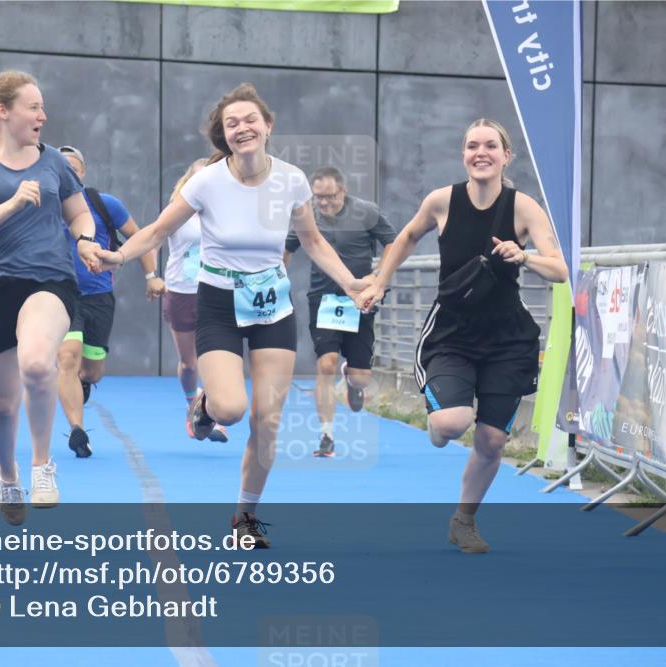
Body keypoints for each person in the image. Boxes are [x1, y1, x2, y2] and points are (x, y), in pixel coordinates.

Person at [94, 83, 367, 547]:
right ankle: (203, 405)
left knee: (268, 421)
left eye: (249, 120)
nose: (242, 128)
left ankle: (245, 516)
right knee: (230, 410)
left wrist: (352, 283)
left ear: (267, 125)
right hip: (218, 304)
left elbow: (315, 242)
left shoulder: (292, 180)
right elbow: (159, 229)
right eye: (231, 124)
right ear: (224, 136)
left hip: (272, 307)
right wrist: (118, 258)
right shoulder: (207, 182)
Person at [359, 118, 568, 553]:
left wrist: (524, 256)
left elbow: (560, 268)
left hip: (507, 337)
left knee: (492, 440)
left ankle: (464, 520)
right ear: (464, 155)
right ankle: (441, 424)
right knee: (451, 424)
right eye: (472, 146)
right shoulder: (442, 201)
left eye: (491, 146)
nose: (481, 153)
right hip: (452, 330)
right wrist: (379, 281)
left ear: (506, 156)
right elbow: (406, 238)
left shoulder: (523, 207)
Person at [0, 70, 99, 523]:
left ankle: (41, 467)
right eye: (33, 107)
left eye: (42, 106)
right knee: (2, 404)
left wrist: (87, 240)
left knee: (36, 363)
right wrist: (13, 201)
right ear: (3, 111)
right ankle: (8, 475)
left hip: (47, 281)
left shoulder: (53, 161)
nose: (42, 115)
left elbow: (79, 213)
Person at [55, 145, 166, 458]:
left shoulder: (105, 205)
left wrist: (151, 276)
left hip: (99, 298)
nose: (69, 174)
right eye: (62, 169)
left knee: (91, 372)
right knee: (67, 358)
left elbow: (142, 238)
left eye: (74, 169)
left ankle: (81, 385)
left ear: (83, 173)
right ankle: (77, 430)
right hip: (61, 296)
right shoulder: (45, 207)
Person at [283, 166, 396, 458]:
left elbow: (393, 243)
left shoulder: (367, 212)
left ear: (343, 191)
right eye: (318, 198)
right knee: (325, 364)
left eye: (329, 197)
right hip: (323, 300)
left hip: (360, 299)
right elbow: (286, 249)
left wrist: (378, 277)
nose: (323, 203)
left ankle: (352, 379)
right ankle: (327, 436)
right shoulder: (307, 217)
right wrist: (276, 280)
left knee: (361, 377)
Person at [162, 159, 229, 442]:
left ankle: (209, 412)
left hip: (216, 290)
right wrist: (150, 276)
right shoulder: (177, 211)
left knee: (214, 359)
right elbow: (152, 237)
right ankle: (192, 403)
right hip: (182, 291)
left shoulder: (227, 212)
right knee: (189, 363)